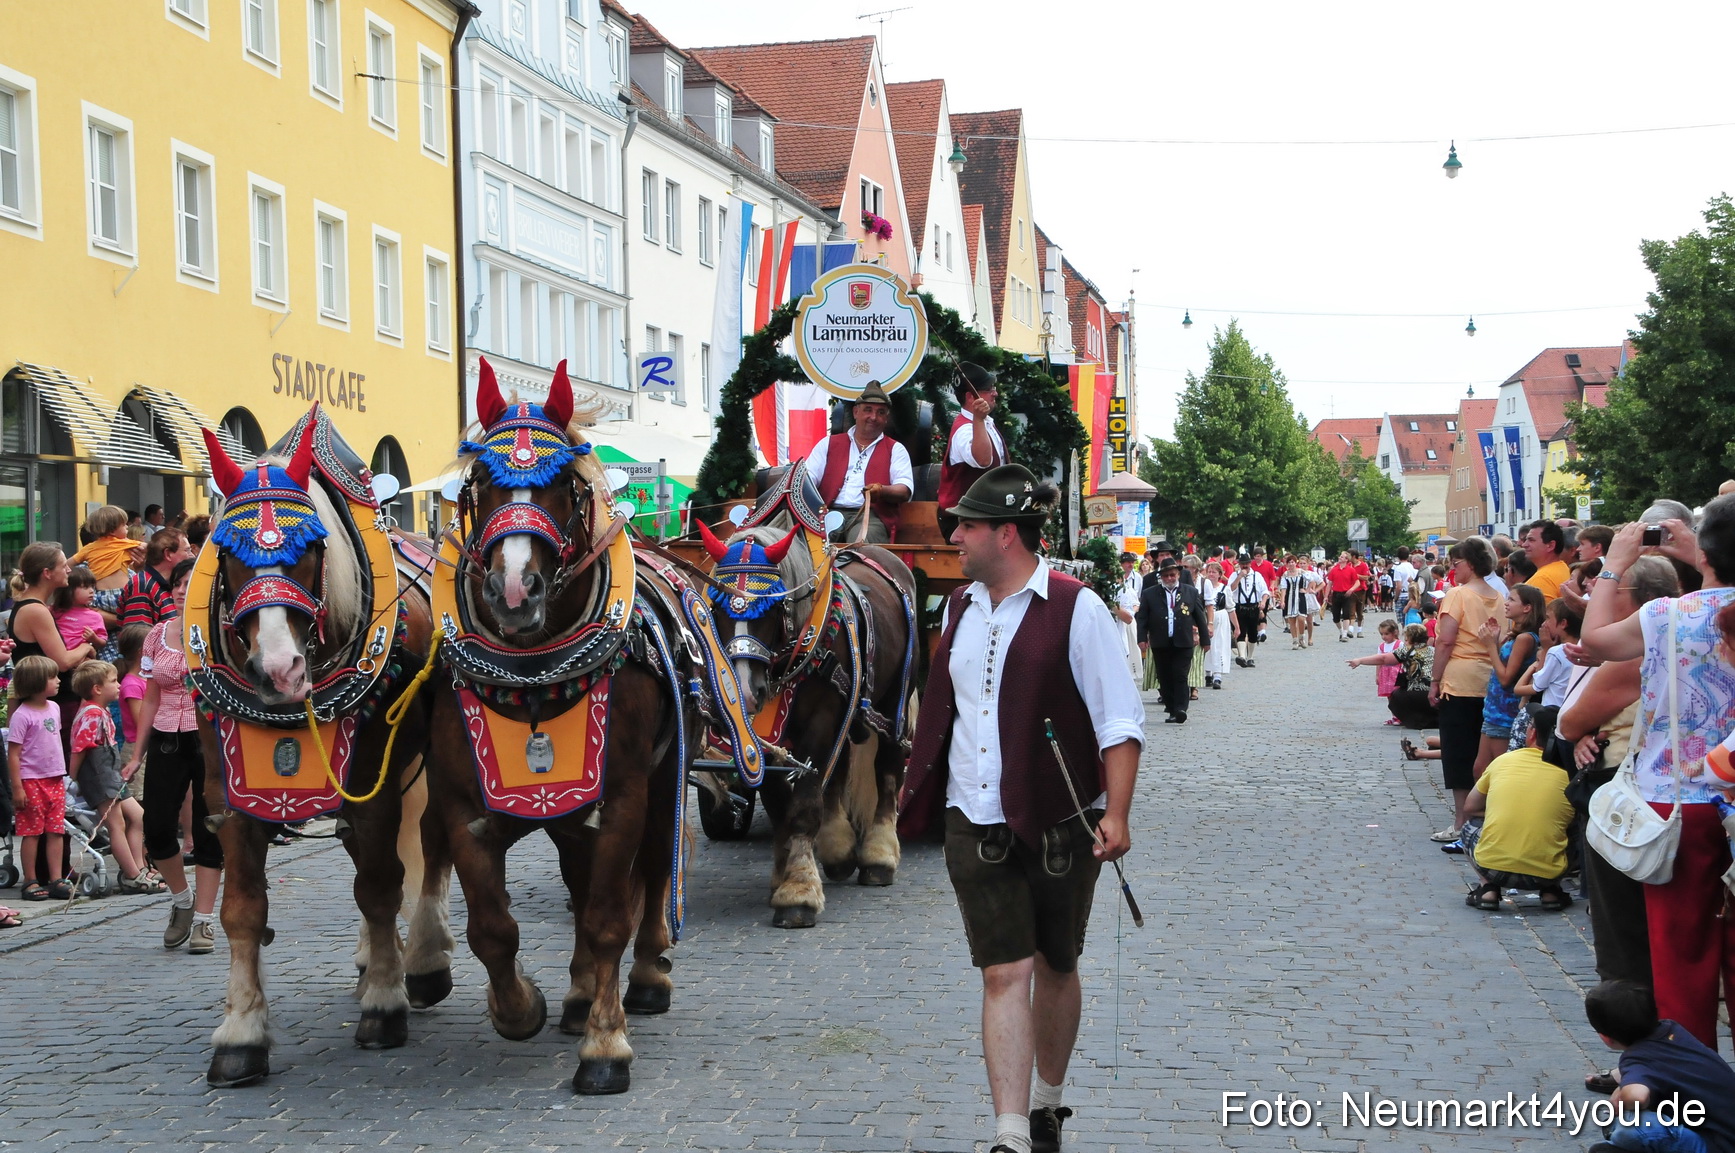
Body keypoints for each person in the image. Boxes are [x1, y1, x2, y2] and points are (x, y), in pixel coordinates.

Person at [899, 464, 1143, 1153]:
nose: (955, 536)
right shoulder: (956, 608)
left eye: (966, 526)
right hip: (971, 816)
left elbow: (1119, 721)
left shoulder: (1076, 607)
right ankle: (1008, 1130)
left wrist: (1116, 813)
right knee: (1003, 968)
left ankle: (1046, 1101)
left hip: (1060, 816)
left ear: (1005, 534)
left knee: (1055, 961)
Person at [1575, 505, 1735, 1055]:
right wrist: (1702, 548)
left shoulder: (1670, 614)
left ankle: (1695, 1090)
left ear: (1705, 553)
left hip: (1680, 800)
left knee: (1681, 958)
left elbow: (1596, 639)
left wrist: (1615, 566)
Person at [122, 558, 224, 954]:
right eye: (178, 583)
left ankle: (204, 921)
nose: (184, 589)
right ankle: (181, 901)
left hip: (210, 740)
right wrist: (137, 752)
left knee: (207, 828)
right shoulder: (156, 635)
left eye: (191, 582)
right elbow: (150, 695)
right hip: (167, 736)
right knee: (159, 826)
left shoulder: (219, 633)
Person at [1582, 980, 1735, 1153]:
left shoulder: (1637, 1060)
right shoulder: (1673, 1029)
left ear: (1605, 1038)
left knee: (1630, 1126)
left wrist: (1620, 1099)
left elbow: (1638, 1097)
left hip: (1716, 1145)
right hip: (1725, 1127)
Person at [1459, 705, 1575, 911]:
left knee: (1470, 826)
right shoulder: (1569, 774)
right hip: (1547, 873)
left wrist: (1496, 812)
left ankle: (1488, 889)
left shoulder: (1503, 761)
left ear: (1531, 733)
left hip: (1493, 868)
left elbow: (1470, 807)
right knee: (1572, 829)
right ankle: (1551, 891)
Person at [1429, 537, 1501, 843]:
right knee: (1485, 752)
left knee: (1459, 752)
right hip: (1489, 678)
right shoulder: (1497, 595)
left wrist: (1434, 680)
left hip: (1459, 678)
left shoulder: (1458, 594)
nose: (1452, 569)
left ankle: (1461, 821)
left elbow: (1446, 640)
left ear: (1469, 564)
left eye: (1455, 563)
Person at [67, 659, 157, 894]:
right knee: (116, 824)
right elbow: (80, 748)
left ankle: (139, 866)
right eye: (113, 681)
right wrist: (71, 778)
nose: (118, 685)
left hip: (111, 775)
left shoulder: (101, 711)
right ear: (97, 689)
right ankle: (132, 874)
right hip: (99, 776)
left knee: (138, 816)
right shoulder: (91, 713)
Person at [804, 380, 913, 544]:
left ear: (886, 418)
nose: (873, 417)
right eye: (868, 410)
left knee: (861, 543)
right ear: (856, 412)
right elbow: (807, 481)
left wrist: (881, 490)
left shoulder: (895, 449)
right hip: (828, 512)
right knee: (812, 543)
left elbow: (904, 490)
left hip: (870, 515)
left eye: (881, 412)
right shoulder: (828, 444)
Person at [5, 655, 70, 901]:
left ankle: (56, 878)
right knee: (31, 832)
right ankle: (30, 880)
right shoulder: (22, 715)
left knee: (55, 830)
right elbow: (13, 754)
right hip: (31, 780)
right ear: (35, 682)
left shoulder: (54, 707)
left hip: (55, 778)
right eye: (52, 677)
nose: (58, 681)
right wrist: (17, 787)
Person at [1473, 584, 1545, 782]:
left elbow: (1506, 679)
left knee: (1495, 772)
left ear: (1527, 608)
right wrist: (1495, 642)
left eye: (1512, 600)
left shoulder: (1525, 638)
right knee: (1480, 770)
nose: (1506, 603)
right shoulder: (1516, 635)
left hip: (1505, 713)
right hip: (1494, 710)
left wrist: (1490, 646)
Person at [936, 363, 1008, 541]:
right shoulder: (964, 430)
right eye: (989, 389)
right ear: (971, 397)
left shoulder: (984, 423)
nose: (995, 393)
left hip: (984, 518)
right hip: (964, 521)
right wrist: (978, 418)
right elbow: (983, 460)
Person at [1138, 557, 1211, 724]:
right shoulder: (1150, 594)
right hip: (1160, 641)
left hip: (1183, 641)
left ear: (1178, 574)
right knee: (1164, 676)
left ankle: (1180, 709)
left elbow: (1200, 617)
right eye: (1166, 576)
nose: (1169, 579)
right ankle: (1171, 707)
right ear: (1161, 577)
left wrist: (1205, 640)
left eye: (1172, 575)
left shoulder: (1190, 592)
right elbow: (1142, 618)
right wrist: (1141, 638)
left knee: (1180, 675)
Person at [1350, 623, 1437, 729]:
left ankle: (1411, 720)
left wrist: (1360, 660)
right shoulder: (1434, 651)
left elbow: (1383, 659)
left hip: (1412, 694)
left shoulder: (1407, 651)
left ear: (1409, 638)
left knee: (1395, 696)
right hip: (1433, 693)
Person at [116, 527, 195, 628]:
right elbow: (137, 638)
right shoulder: (142, 585)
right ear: (168, 554)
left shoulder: (170, 584)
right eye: (187, 550)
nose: (192, 555)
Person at [53, 564, 107, 658]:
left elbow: (102, 642)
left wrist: (94, 638)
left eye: (92, 587)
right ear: (69, 590)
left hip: (82, 660)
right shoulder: (55, 610)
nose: (91, 591)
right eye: (85, 587)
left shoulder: (95, 616)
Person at [1228, 558, 1269, 668]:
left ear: (1250, 564)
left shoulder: (1257, 575)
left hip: (1253, 607)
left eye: (1246, 563)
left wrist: (1263, 602)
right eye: (1242, 564)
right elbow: (1230, 589)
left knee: (1252, 633)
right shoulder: (1234, 575)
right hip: (1239, 607)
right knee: (1240, 631)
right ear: (1239, 564)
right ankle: (1242, 656)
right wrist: (1239, 577)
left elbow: (1265, 591)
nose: (1244, 565)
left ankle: (1250, 657)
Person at [1111, 551, 1143, 688]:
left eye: (1132, 562)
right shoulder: (1112, 586)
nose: (1130, 564)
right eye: (1127, 562)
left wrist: (1131, 613)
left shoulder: (1136, 579)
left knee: (1128, 650)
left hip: (1125, 620)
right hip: (1118, 621)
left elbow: (1136, 602)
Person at [1200, 560, 1232, 690]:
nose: (1211, 574)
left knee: (1219, 644)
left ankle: (1217, 674)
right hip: (1206, 616)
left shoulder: (1225, 589)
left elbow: (1231, 608)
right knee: (1206, 644)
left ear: (1220, 574)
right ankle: (1208, 672)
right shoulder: (1203, 586)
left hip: (1220, 616)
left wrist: (1236, 627)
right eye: (1209, 572)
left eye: (1214, 572)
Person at [1520, 519, 1571, 600]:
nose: (1524, 545)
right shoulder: (1563, 568)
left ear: (1550, 546)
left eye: (1531, 540)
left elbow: (1541, 612)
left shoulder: (1542, 579)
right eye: (1526, 540)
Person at [1326, 551, 1363, 642]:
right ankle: (1341, 631)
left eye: (1342, 557)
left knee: (1346, 615)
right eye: (1340, 557)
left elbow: (1357, 582)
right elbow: (1329, 584)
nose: (1340, 558)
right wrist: (1326, 596)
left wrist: (1351, 589)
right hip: (1336, 594)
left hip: (1347, 594)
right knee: (1336, 617)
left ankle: (1345, 634)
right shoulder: (1334, 570)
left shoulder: (1351, 570)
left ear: (1346, 559)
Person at [1278, 555, 1311, 649]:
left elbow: (1312, 580)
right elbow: (1283, 589)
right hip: (1290, 598)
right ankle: (1295, 640)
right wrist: (1282, 601)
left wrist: (1307, 590)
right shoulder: (1285, 574)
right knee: (1292, 620)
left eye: (1293, 562)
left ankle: (1301, 637)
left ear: (1295, 563)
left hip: (1300, 597)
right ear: (1287, 564)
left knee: (1301, 618)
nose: (1291, 564)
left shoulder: (1301, 572)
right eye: (1289, 562)